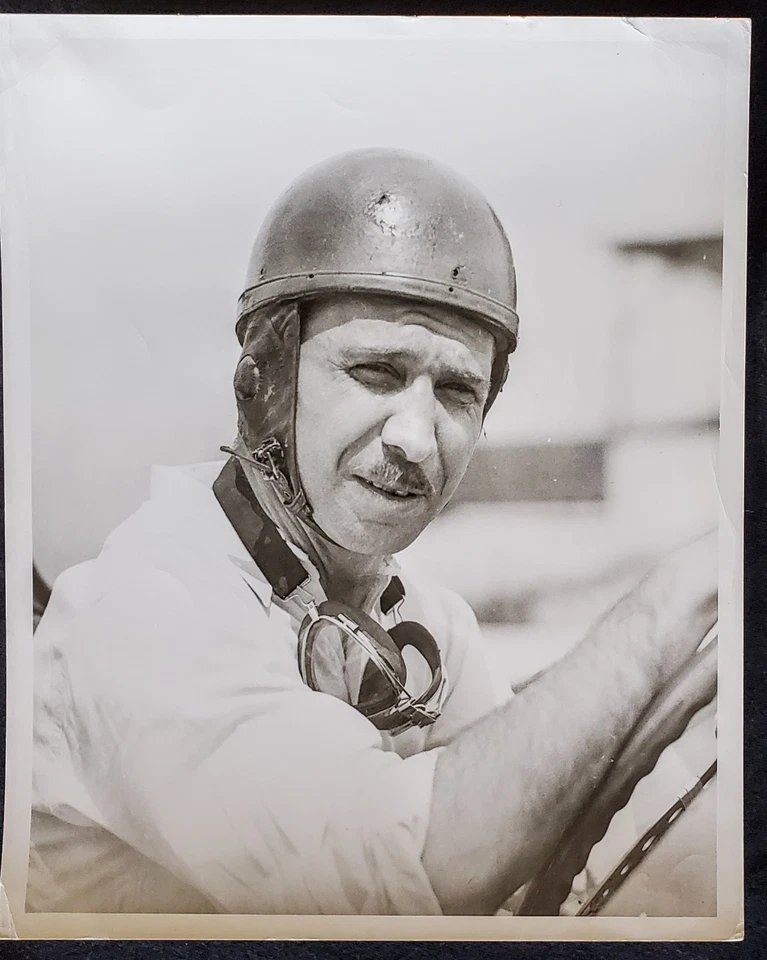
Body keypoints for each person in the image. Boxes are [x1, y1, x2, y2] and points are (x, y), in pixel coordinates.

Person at [27, 149, 717, 917]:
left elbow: (514, 849)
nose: (417, 438)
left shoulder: (423, 617)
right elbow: (403, 878)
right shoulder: (147, 608)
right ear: (264, 381)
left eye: (457, 391)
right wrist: (679, 596)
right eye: (377, 372)